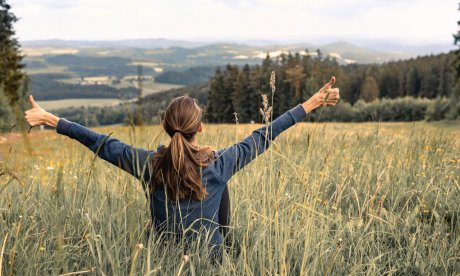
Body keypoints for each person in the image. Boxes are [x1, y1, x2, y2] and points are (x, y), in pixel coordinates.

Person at [24, 76, 340, 260]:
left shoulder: (149, 164)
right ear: (199, 128)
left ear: (165, 126)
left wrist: (51, 119)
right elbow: (264, 134)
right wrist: (312, 103)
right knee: (222, 184)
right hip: (212, 259)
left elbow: (100, 143)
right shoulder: (218, 164)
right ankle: (229, 248)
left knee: (220, 184)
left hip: (165, 258)